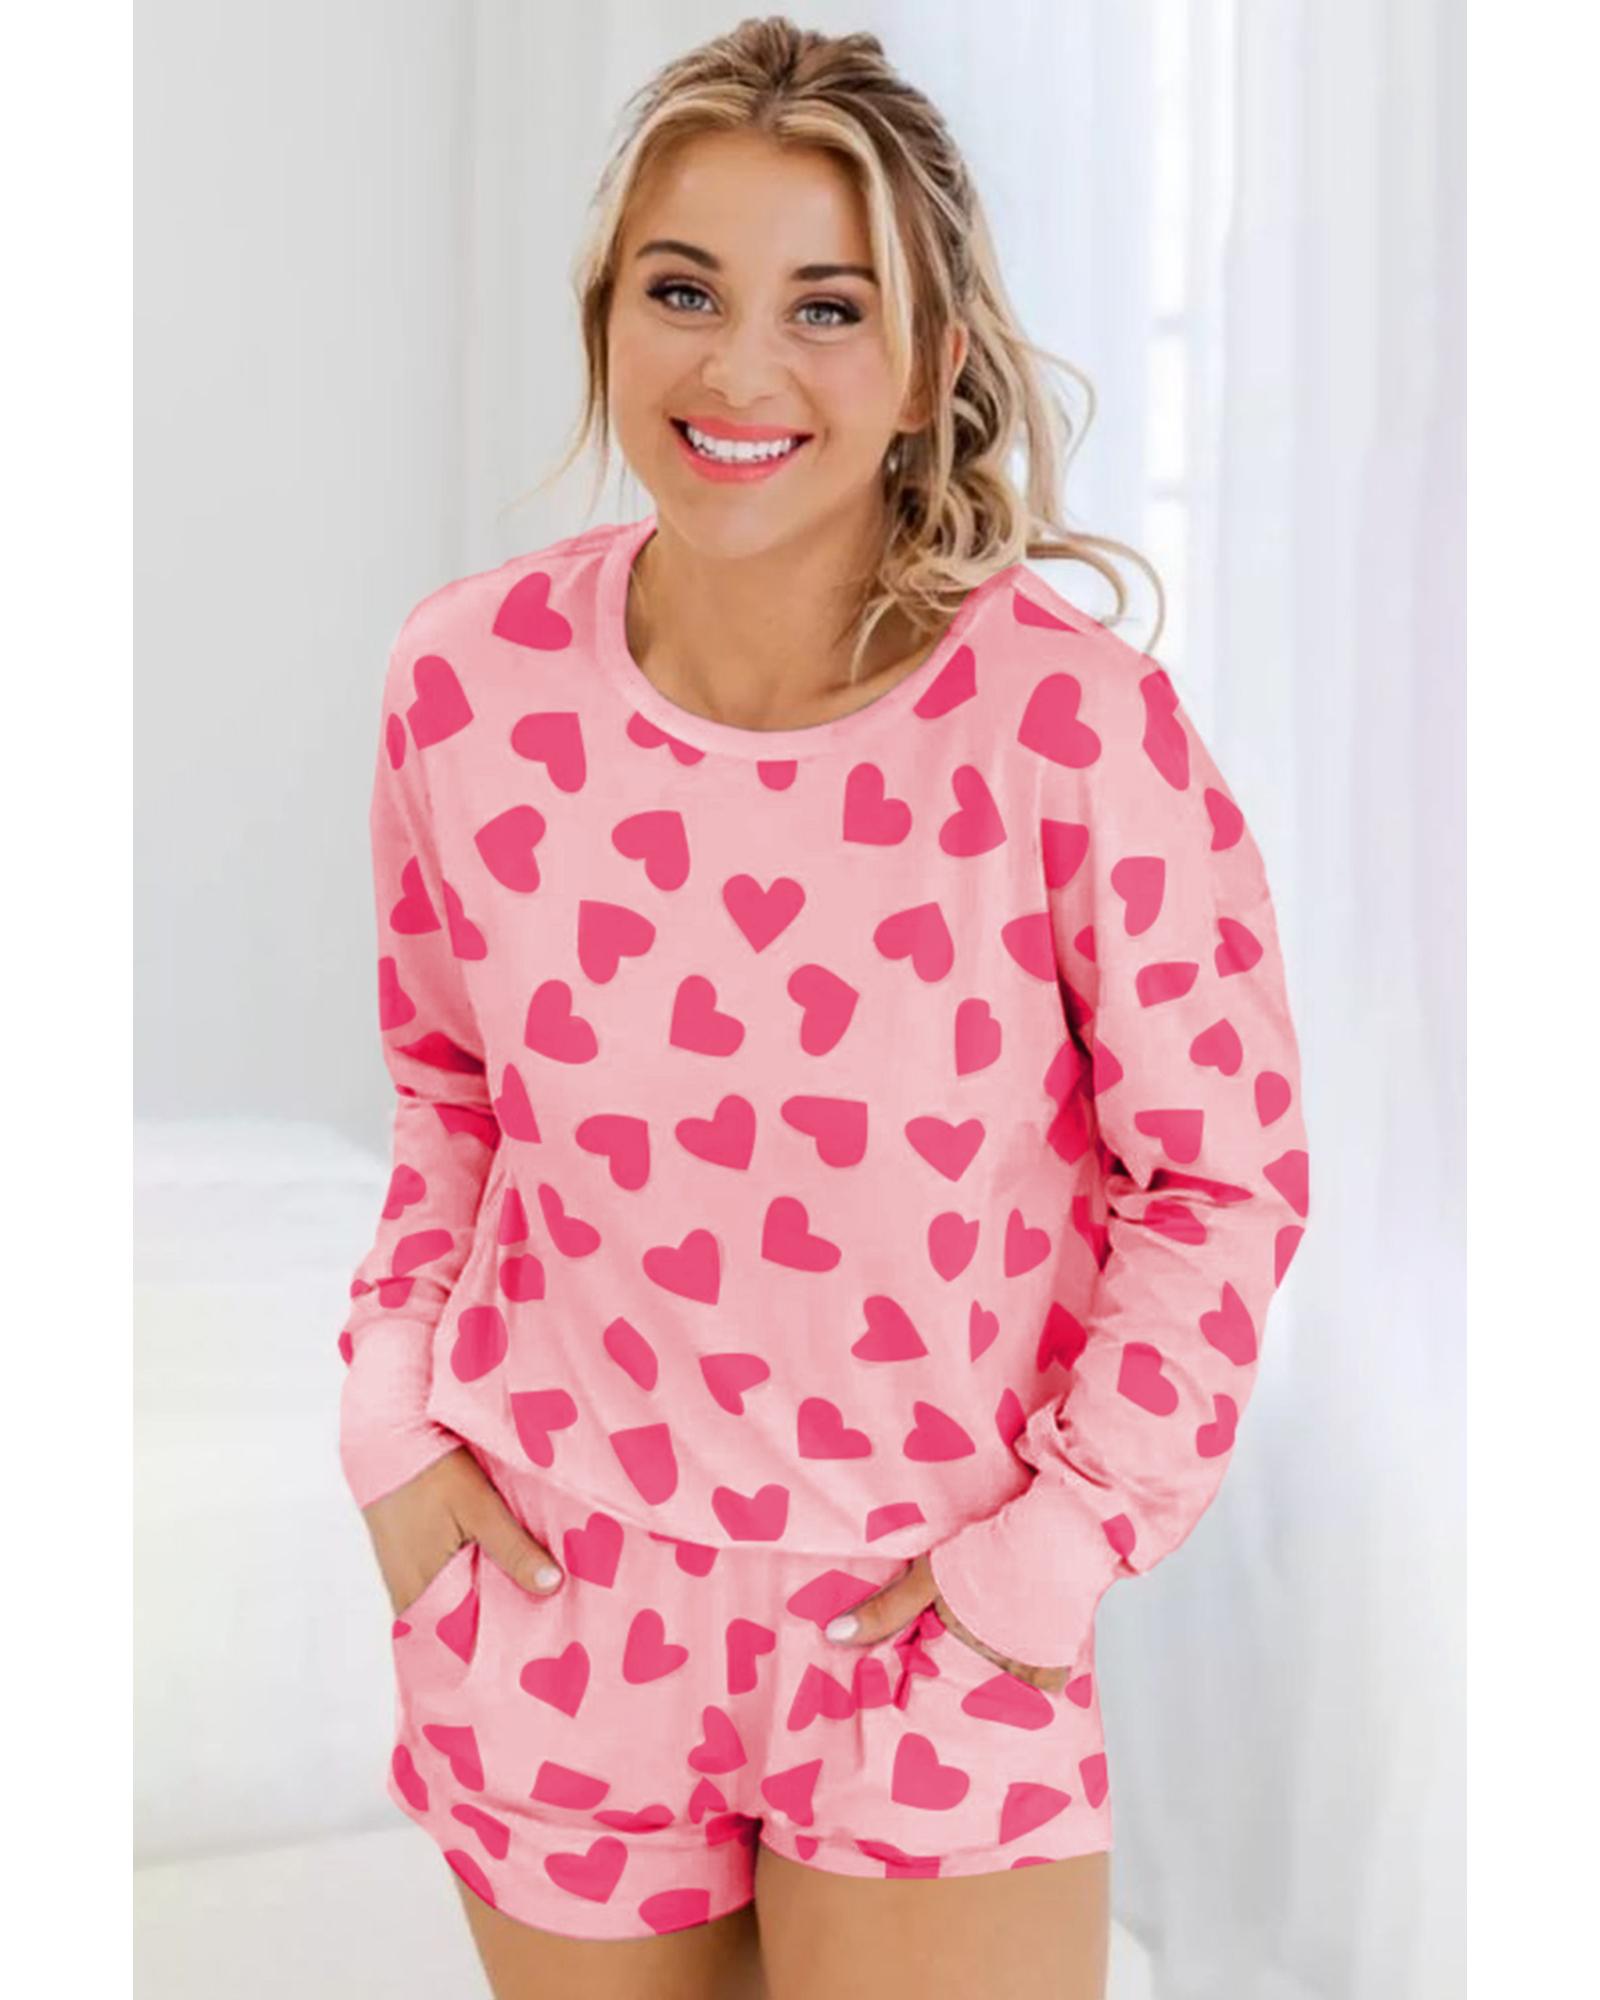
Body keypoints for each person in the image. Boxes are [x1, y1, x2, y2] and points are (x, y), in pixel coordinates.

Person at [334, 19, 1311, 2000]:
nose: (739, 368)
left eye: (828, 306)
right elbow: (451, 1093)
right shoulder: (467, 684)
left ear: (931, 362)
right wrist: (388, 1411)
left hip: (927, 1626)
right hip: (553, 1590)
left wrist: (1059, 1544)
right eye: (684, 290)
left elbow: (1220, 1182)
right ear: (608, 314)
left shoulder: (1068, 725)